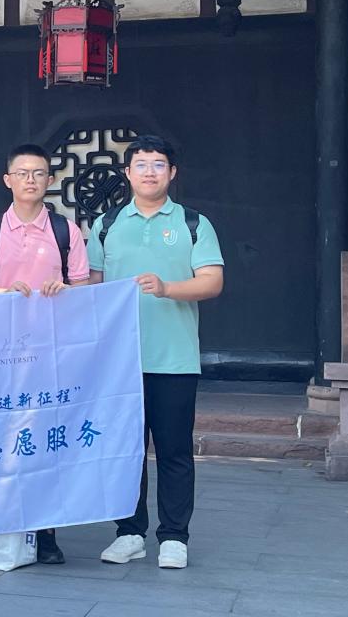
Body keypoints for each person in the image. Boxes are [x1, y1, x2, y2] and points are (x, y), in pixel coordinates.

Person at [87, 135, 224, 570]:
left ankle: (174, 536)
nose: (150, 172)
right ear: (127, 173)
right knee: (125, 452)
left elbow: (212, 282)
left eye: (158, 164)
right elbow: (91, 288)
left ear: (172, 172)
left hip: (174, 358)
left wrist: (167, 288)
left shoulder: (193, 223)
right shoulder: (105, 224)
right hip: (119, 362)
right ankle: (129, 533)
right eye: (141, 165)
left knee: (174, 451)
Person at [0, 143, 90, 565]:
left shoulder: (65, 231)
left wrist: (65, 291)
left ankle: (46, 531)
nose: (30, 180)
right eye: (22, 173)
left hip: (50, 351)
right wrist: (0, 292)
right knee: (2, 436)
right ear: (8, 180)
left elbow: (83, 288)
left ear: (50, 181)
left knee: (46, 438)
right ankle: (2, 522)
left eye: (39, 173)